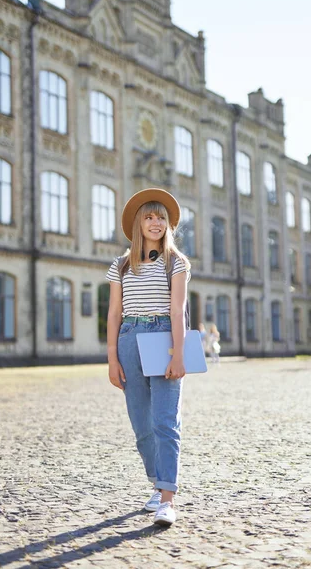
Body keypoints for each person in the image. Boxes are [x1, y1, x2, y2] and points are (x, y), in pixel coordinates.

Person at [106, 188, 191, 527]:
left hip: (163, 337)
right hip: (129, 339)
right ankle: (157, 483)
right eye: (149, 217)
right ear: (138, 224)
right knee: (142, 426)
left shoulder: (176, 262)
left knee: (164, 422)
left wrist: (179, 354)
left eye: (161, 218)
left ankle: (167, 498)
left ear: (168, 225)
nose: (155, 223)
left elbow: (177, 309)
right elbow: (114, 314)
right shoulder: (121, 265)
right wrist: (112, 358)